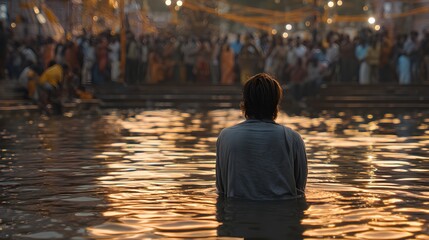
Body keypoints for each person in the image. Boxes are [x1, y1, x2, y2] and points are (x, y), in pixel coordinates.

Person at [216, 73, 308, 200]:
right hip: (283, 215)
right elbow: (300, 191)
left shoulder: (226, 137)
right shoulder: (293, 138)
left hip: (237, 215)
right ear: (276, 104)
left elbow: (222, 190)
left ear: (245, 103)